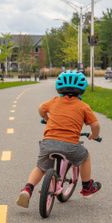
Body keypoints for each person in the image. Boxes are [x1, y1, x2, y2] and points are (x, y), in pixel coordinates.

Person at [16, 70, 101, 208]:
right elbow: (95, 125)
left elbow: (40, 108)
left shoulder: (54, 101)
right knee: (85, 157)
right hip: (70, 145)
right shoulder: (83, 107)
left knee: (41, 167)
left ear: (59, 89)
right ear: (82, 90)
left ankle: (27, 189)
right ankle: (87, 188)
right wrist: (94, 135)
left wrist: (46, 119)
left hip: (48, 143)